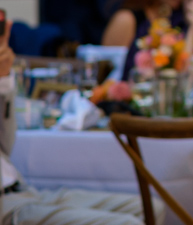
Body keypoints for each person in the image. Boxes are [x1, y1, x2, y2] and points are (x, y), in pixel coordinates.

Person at [0, 13, 162, 224]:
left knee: (150, 208)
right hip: (5, 206)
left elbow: (5, 146)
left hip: (21, 190)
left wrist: (3, 79)